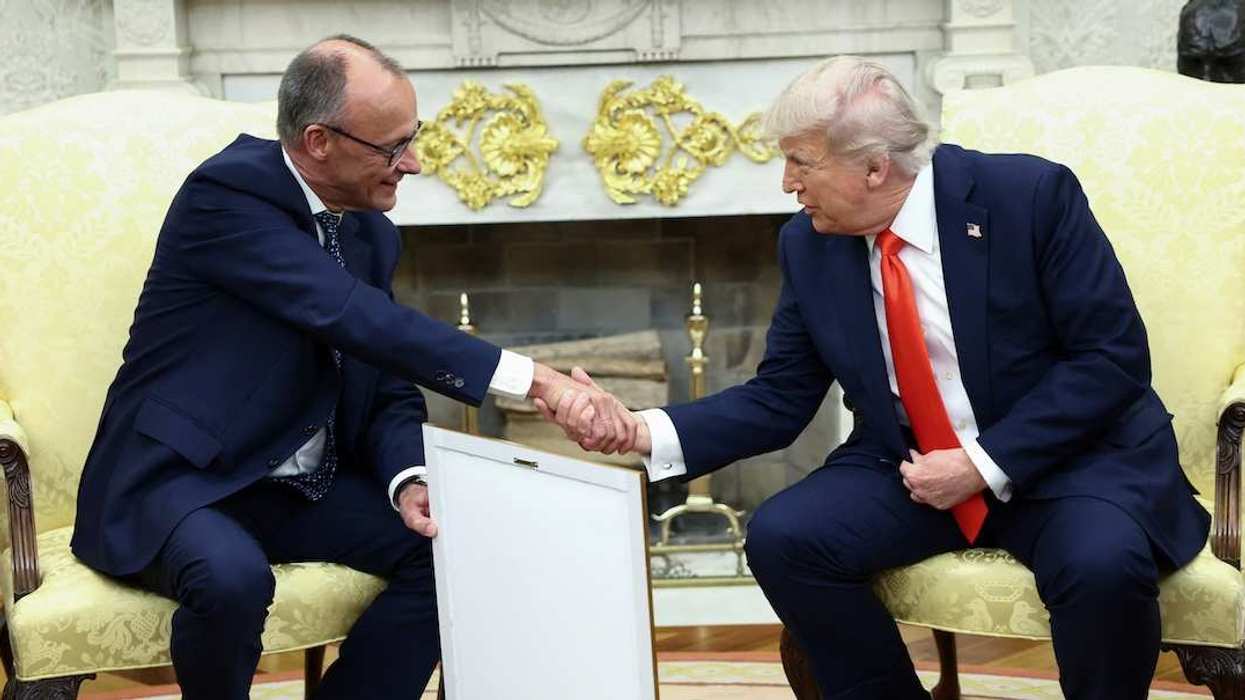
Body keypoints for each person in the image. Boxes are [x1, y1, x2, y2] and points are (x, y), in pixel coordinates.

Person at [551, 56, 1210, 699]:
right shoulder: (809, 244)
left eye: (800, 162)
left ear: (873, 166)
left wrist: (981, 465)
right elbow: (778, 397)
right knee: (786, 537)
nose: (786, 183)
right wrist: (638, 428)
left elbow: (1109, 358)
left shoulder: (1027, 197)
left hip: (1065, 461)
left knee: (1100, 566)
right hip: (911, 463)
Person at [70, 34, 611, 699]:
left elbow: (382, 373)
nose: (411, 163)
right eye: (391, 148)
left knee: (458, 548)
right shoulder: (227, 197)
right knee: (232, 578)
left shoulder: (368, 231)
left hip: (299, 487)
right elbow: (352, 317)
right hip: (186, 481)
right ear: (320, 141)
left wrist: (408, 477)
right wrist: (537, 380)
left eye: (413, 138)